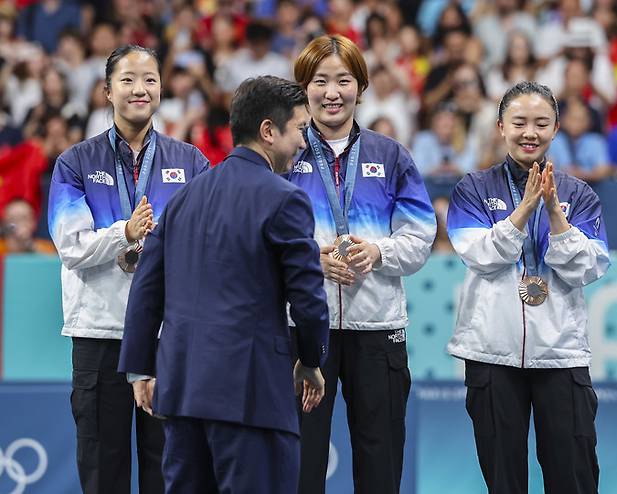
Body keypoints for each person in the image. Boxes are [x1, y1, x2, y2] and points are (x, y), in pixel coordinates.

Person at [118, 75, 330, 493]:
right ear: (268, 131)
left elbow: (146, 288)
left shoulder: (183, 198)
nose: (305, 142)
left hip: (182, 392)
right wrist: (311, 359)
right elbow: (307, 299)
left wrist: (141, 365)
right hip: (250, 396)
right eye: (301, 129)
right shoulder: (285, 199)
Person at [48, 45, 209, 494]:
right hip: (100, 336)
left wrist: (147, 244)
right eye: (128, 80)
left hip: (166, 337)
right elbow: (71, 246)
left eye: (151, 79)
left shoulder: (191, 162)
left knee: (170, 470)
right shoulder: (75, 163)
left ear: (161, 88)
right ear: (107, 90)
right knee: (103, 468)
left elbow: (205, 245)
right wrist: (126, 234)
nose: (141, 88)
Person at [446, 81, 610, 494]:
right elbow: (479, 256)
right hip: (491, 352)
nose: (529, 132)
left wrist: (555, 213)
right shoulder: (473, 189)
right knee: (503, 480)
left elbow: (588, 268)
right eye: (519, 122)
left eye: (541, 123)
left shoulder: (579, 195)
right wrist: (523, 212)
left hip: (561, 353)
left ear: (555, 129)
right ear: (501, 126)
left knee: (573, 476)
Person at [290, 34, 436, 494]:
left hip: (377, 329)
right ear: (303, 88)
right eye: (319, 81)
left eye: (343, 80)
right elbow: (255, 239)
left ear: (361, 86)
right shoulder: (282, 155)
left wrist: (379, 253)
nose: (332, 93)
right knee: (299, 460)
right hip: (302, 329)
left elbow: (420, 235)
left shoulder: (390, 155)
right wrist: (311, 260)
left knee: (380, 458)